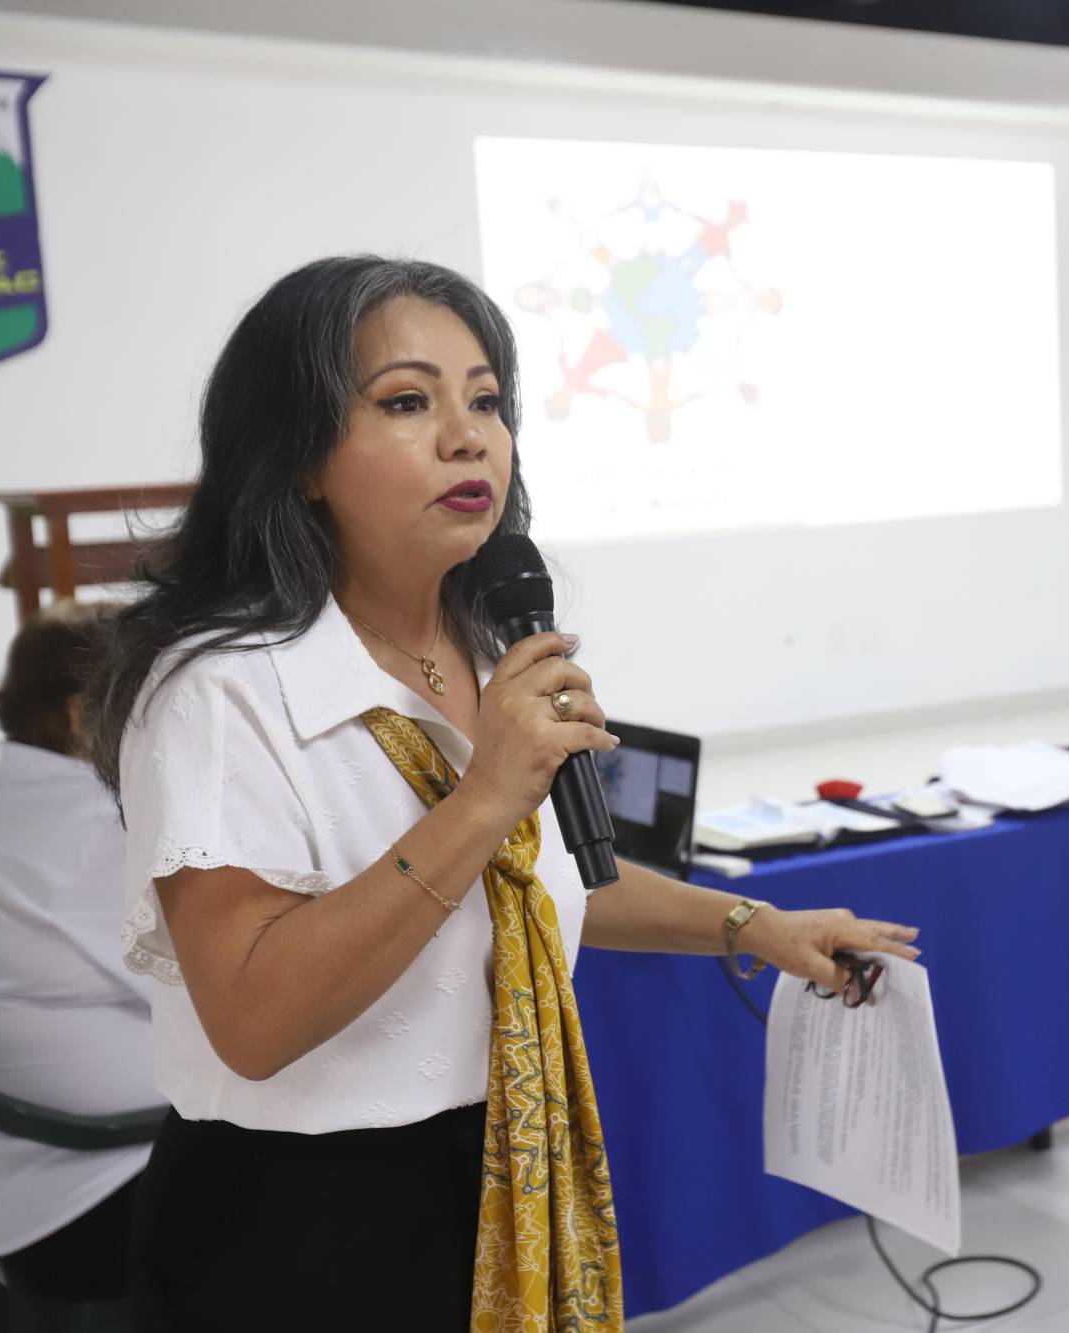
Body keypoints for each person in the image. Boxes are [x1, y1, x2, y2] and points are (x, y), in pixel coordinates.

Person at [85, 254, 920, 1331]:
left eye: (485, 400)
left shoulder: (485, 644)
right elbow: (253, 1017)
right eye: (406, 402)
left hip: (494, 1165)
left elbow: (536, 884)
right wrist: (483, 798)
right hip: (302, 1221)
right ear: (298, 456)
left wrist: (754, 924)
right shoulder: (220, 690)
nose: (466, 436)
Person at [0, 600, 157, 1303]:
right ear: (82, 717)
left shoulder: (19, 808)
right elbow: (233, 996)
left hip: (49, 1183)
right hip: (94, 1202)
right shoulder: (85, 831)